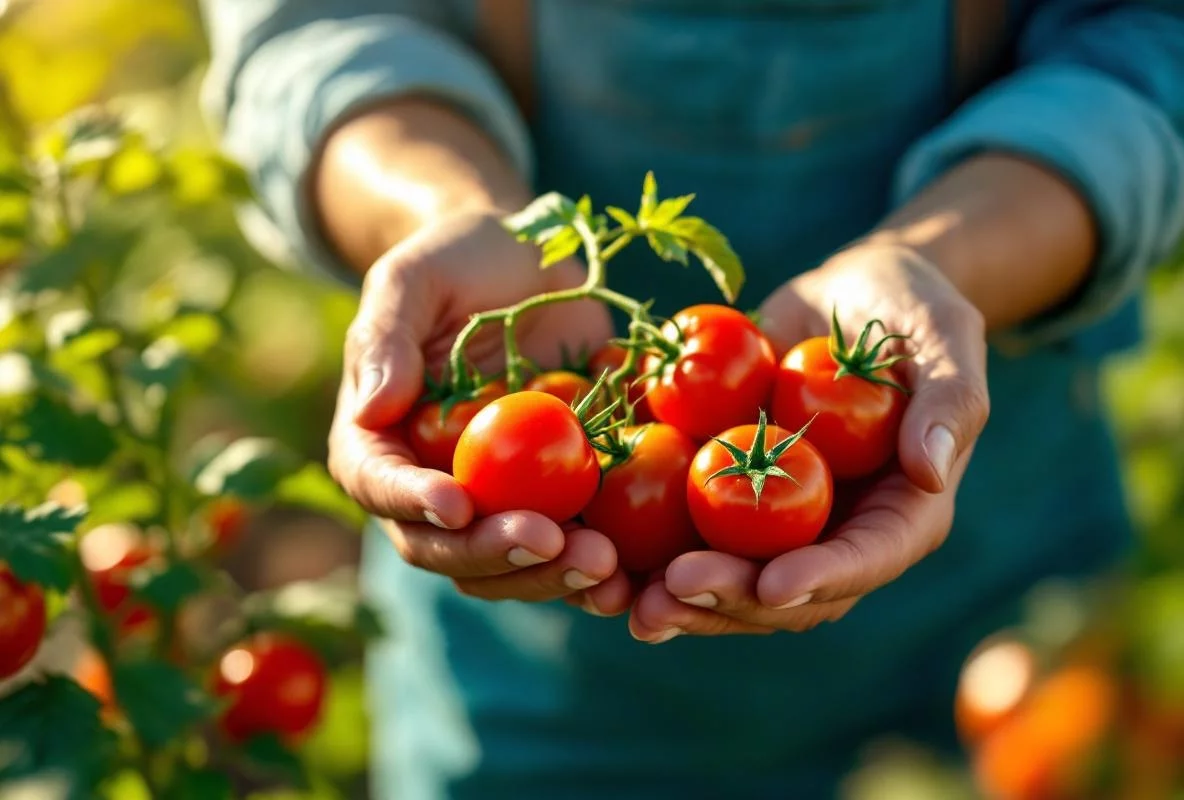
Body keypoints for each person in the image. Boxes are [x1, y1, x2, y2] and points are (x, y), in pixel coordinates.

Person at [199, 1, 1184, 797]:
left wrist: (941, 262)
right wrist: (441, 209)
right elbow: (311, 26)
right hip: (537, 695)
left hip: (997, 596)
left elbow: (1150, 36)